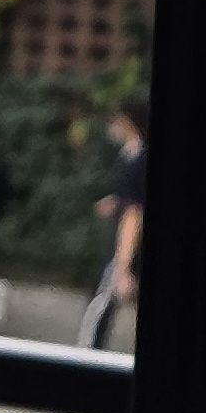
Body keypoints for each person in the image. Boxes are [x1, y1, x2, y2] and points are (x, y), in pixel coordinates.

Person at [78, 94, 147, 349]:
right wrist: (116, 201)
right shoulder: (133, 155)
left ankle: (88, 358)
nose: (112, 125)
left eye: (116, 119)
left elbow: (133, 214)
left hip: (131, 249)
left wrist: (122, 266)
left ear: (128, 122)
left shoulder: (136, 162)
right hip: (132, 247)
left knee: (99, 311)